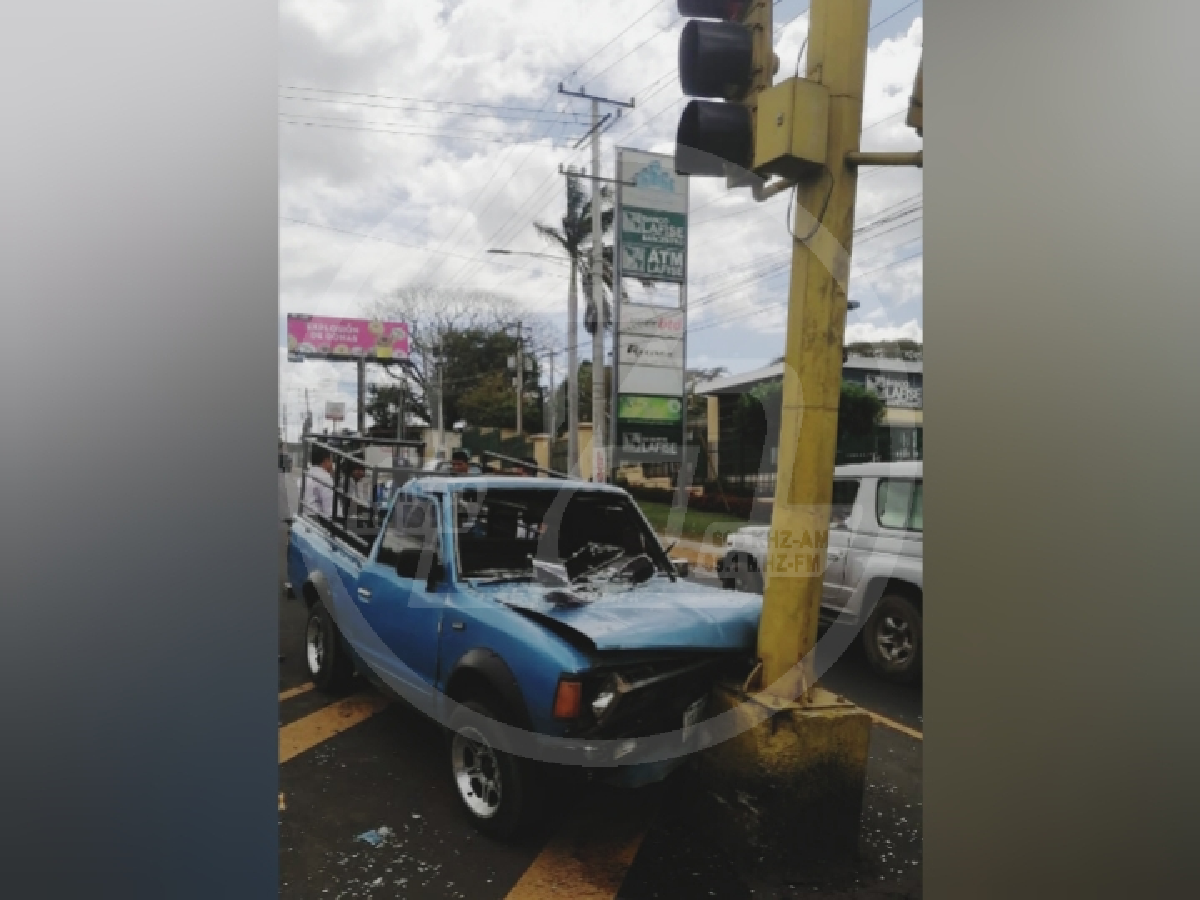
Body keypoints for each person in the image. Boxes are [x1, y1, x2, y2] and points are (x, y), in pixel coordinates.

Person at [303, 445, 335, 518]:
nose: (332, 465)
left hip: (307, 519)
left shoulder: (307, 475)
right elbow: (330, 510)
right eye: (331, 461)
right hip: (319, 523)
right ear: (326, 461)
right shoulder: (325, 478)